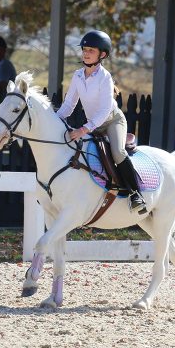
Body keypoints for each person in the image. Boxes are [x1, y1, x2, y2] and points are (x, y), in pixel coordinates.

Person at [56, 30, 147, 215]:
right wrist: (55, 120)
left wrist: (83, 129)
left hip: (112, 121)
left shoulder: (104, 77)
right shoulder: (78, 76)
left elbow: (105, 110)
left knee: (118, 152)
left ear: (102, 54)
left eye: (91, 50)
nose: (86, 53)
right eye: (84, 49)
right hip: (94, 123)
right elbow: (69, 104)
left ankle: (135, 194)